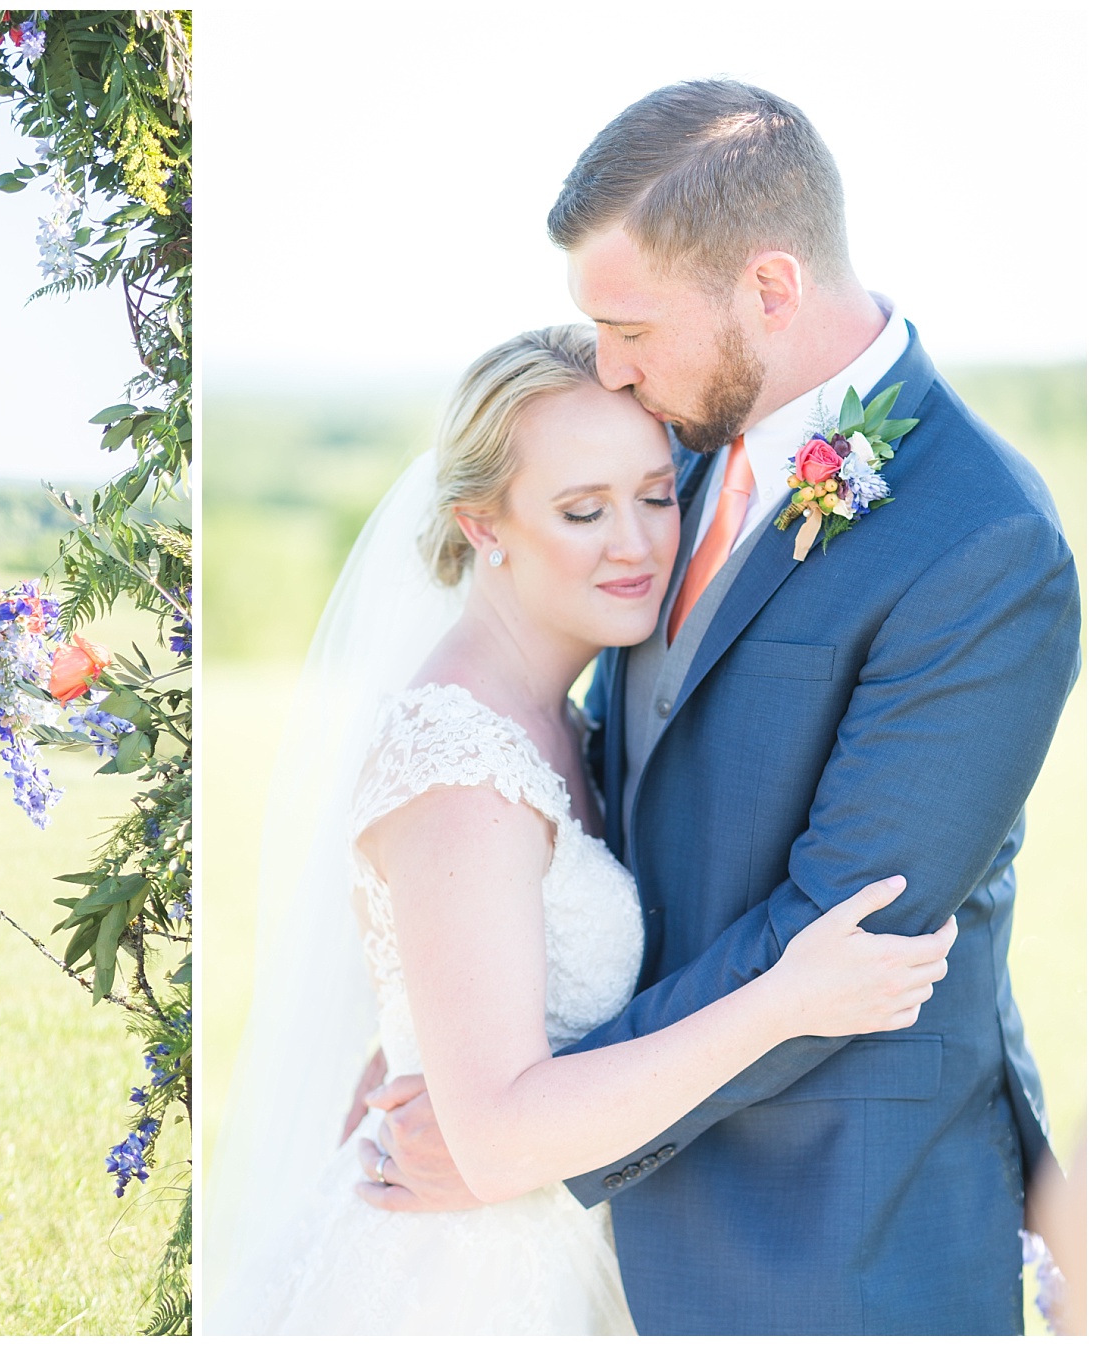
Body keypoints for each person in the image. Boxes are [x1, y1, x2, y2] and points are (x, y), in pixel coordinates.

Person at [357, 81, 1080, 1334]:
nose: (609, 364)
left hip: (833, 1246)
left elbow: (853, 928)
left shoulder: (985, 544)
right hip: (603, 1225)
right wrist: (462, 1022)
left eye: (628, 326)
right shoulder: (666, 446)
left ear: (771, 290)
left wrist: (513, 1128)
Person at [205, 326, 958, 1334]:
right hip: (456, 1284)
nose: (637, 544)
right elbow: (503, 1137)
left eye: (654, 495)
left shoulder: (568, 709)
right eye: (580, 510)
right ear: (484, 525)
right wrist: (788, 999)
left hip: (558, 1252)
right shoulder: (460, 769)